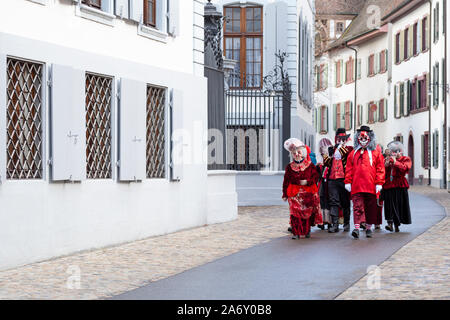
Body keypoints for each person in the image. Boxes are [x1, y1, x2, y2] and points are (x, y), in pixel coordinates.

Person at [345, 126, 385, 239]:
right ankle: (357, 228)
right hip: (357, 185)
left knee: (370, 208)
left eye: (365, 138)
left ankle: (368, 228)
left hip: (370, 185)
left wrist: (379, 183)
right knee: (357, 207)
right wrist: (347, 181)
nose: (363, 140)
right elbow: (348, 169)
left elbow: (380, 169)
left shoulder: (376, 153)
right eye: (360, 138)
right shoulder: (353, 154)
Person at [282, 138, 322, 239]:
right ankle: (296, 232)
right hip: (294, 194)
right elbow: (286, 181)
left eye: (298, 152)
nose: (297, 154)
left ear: (302, 153)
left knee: (307, 213)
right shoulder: (289, 167)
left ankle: (306, 230)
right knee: (295, 214)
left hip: (307, 193)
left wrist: (307, 182)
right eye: (294, 153)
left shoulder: (310, 165)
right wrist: (284, 194)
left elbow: (315, 177)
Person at [322, 128, 353, 233]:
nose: (340, 140)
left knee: (345, 201)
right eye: (339, 138)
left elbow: (348, 157)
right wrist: (329, 155)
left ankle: (346, 223)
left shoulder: (349, 149)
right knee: (333, 201)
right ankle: (335, 225)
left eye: (343, 138)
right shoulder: (331, 149)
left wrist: (341, 148)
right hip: (332, 178)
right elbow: (326, 163)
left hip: (344, 179)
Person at [382, 141, 412, 232]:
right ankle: (390, 223)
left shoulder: (405, 159)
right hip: (389, 185)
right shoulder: (388, 159)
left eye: (398, 151)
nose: (397, 153)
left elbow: (405, 168)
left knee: (398, 204)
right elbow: (382, 170)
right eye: (394, 151)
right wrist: (386, 164)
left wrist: (396, 162)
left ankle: (397, 224)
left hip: (400, 185)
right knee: (389, 205)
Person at [317, 137, 333, 230]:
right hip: (321, 183)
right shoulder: (319, 159)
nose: (323, 149)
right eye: (322, 147)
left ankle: (330, 221)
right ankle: (322, 220)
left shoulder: (330, 158)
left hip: (329, 182)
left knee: (329, 200)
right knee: (321, 200)